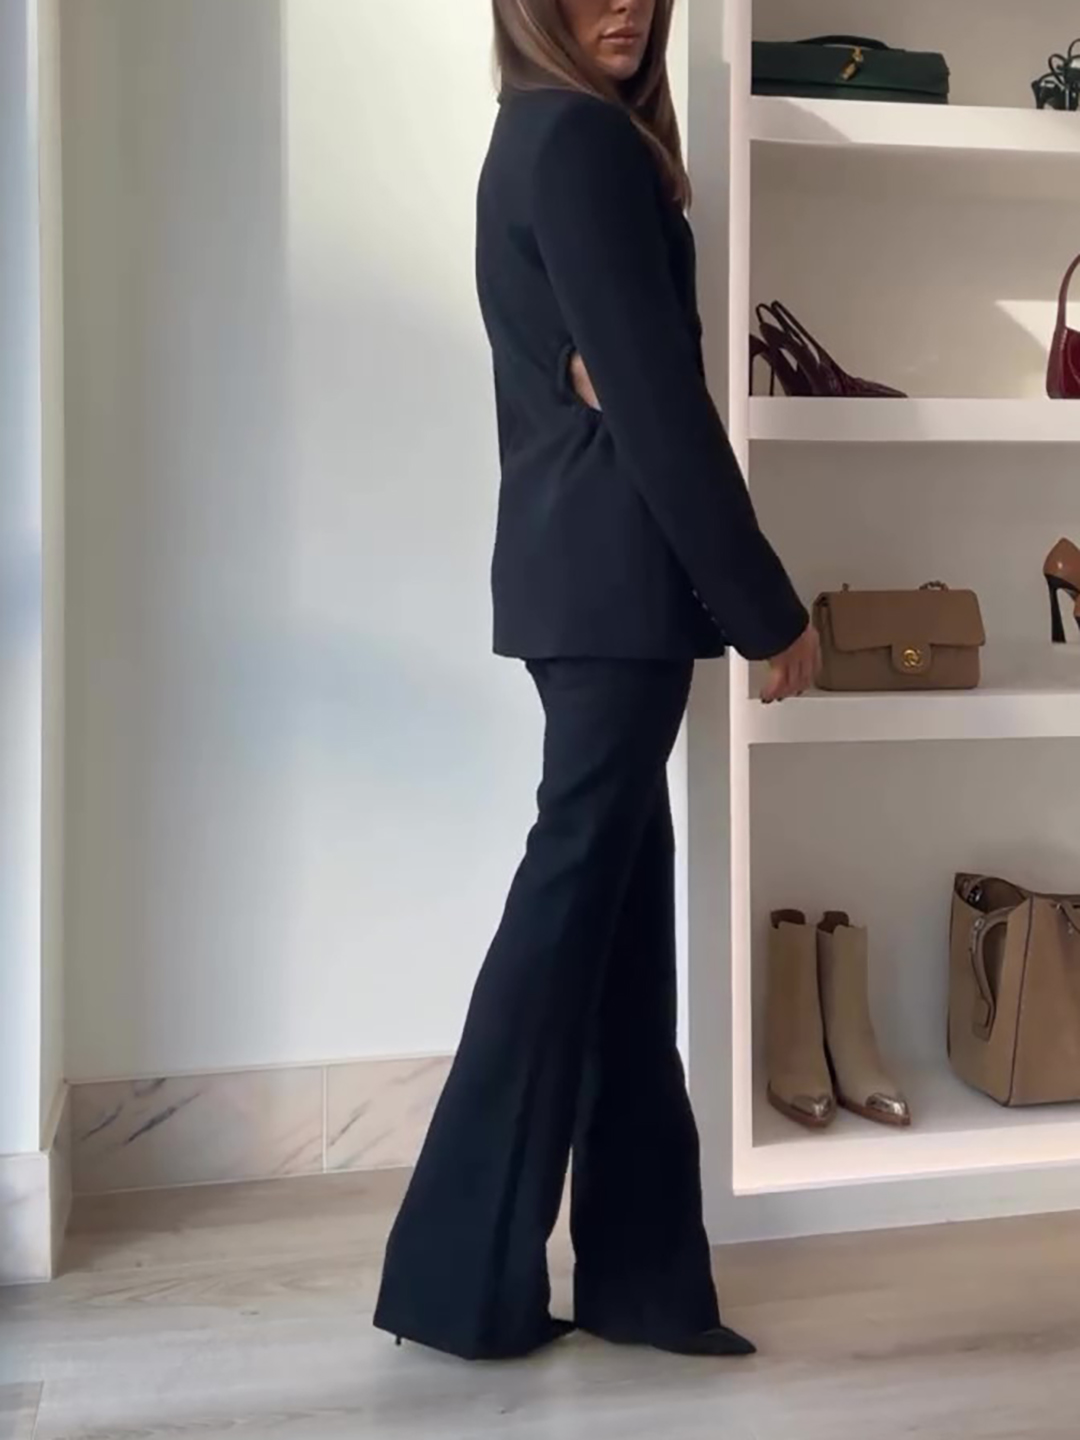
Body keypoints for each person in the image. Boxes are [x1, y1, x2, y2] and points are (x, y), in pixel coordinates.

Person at [373, 0, 818, 1362]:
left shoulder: (540, 135)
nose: (623, 3)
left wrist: (614, 380)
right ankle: (455, 1280)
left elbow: (615, 381)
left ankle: (641, 1282)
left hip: (586, 586)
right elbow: (659, 403)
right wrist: (766, 610)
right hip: (613, 590)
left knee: (622, 938)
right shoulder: (578, 143)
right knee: (569, 923)